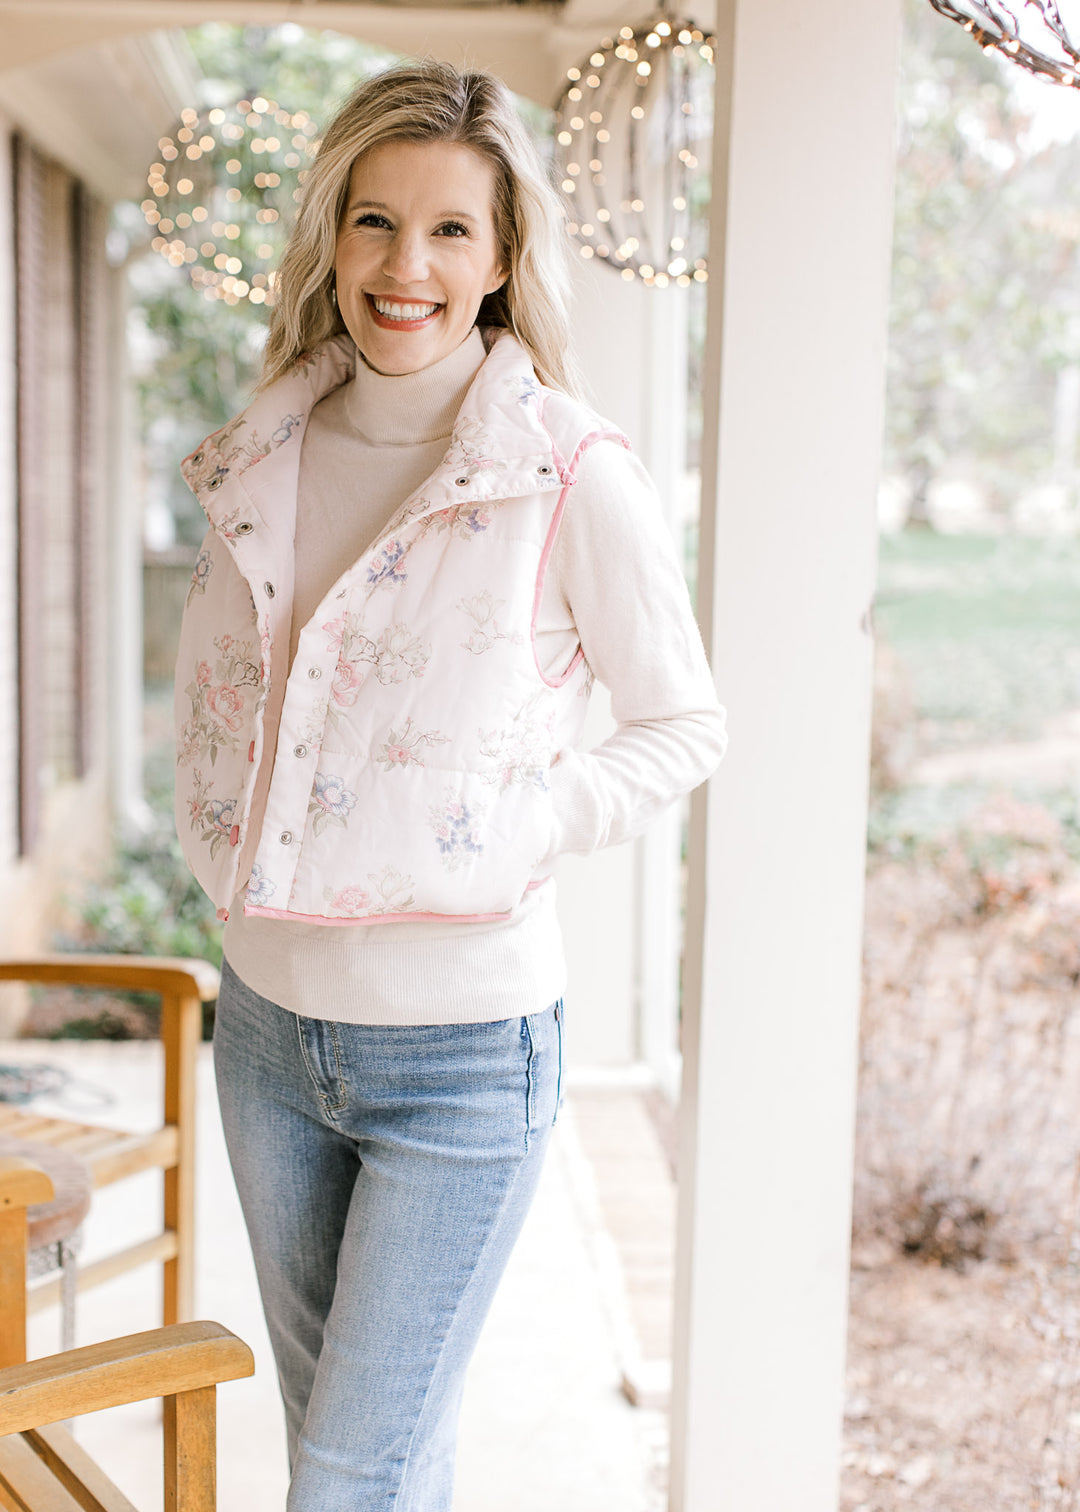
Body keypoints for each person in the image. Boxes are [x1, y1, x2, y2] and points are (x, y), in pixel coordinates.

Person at [174, 59, 726, 1512]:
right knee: (365, 1459)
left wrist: (521, 826)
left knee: (346, 1475)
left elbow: (682, 724)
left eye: (449, 233)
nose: (404, 267)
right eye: (373, 223)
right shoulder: (260, 456)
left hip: (466, 1053)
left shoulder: (564, 474)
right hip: (269, 1034)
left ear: (500, 260)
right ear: (332, 239)